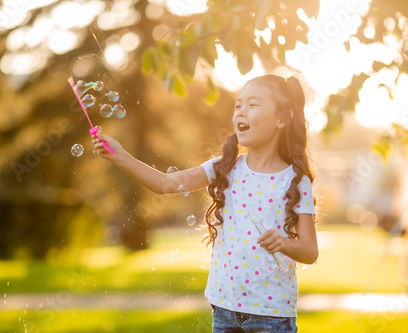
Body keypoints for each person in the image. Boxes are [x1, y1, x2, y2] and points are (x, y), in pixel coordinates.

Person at [92, 74, 318, 333]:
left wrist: (285, 243)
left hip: (272, 316)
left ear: (282, 118)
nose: (241, 112)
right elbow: (165, 183)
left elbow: (310, 251)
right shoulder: (224, 168)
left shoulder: (294, 181)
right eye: (238, 106)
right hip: (225, 310)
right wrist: (121, 156)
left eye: (253, 105)